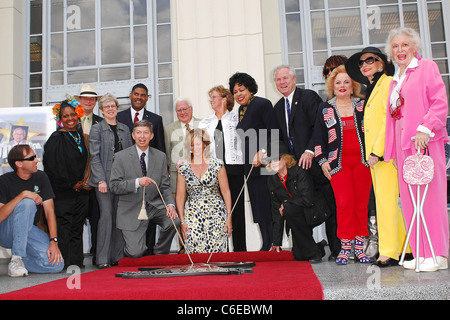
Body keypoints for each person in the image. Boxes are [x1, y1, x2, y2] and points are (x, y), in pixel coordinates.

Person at [384, 27, 449, 272]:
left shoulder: (427, 68)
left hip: (425, 142)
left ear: (415, 48)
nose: (400, 50)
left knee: (431, 198)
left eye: (405, 45)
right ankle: (422, 252)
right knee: (411, 201)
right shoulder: (396, 78)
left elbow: (440, 101)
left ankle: (438, 253)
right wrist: (392, 152)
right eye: (395, 46)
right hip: (404, 149)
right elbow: (392, 118)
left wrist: (426, 128)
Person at [346, 47, 410, 267]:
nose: (365, 65)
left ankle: (389, 252)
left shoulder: (388, 83)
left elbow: (388, 120)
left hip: (384, 154)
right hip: (376, 155)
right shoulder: (371, 88)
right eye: (362, 63)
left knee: (384, 203)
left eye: (370, 60)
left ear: (381, 63)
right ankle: (406, 249)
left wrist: (377, 151)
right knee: (387, 202)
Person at [273, 65, 340, 260]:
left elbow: (320, 127)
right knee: (297, 208)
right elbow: (281, 139)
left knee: (329, 206)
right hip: (296, 170)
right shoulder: (278, 107)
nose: (282, 82)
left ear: (294, 80)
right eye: (279, 79)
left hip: (317, 164)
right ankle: (312, 249)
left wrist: (311, 150)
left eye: (286, 78)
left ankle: (336, 249)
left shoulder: (309, 97)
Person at [313, 65, 372, 265]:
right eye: (338, 82)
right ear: (332, 85)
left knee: (361, 205)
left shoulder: (363, 105)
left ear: (353, 84)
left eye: (347, 82)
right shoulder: (325, 108)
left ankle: (359, 247)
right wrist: (322, 162)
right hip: (338, 164)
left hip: (363, 163)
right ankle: (345, 247)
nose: (342, 85)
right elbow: (318, 138)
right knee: (344, 204)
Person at [109, 120, 179, 258]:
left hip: (154, 206)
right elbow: (114, 186)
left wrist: (170, 204)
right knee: (136, 253)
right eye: (138, 133)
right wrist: (137, 182)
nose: (142, 136)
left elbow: (165, 185)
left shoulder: (160, 156)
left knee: (174, 220)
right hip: (131, 210)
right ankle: (134, 247)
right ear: (133, 135)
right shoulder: (120, 157)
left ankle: (159, 253)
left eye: (146, 133)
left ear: (151, 136)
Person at [229, 72, 279, 251]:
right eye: (235, 92)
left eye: (241, 90)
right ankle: (265, 243)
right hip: (250, 165)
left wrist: (263, 152)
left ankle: (274, 242)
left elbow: (274, 132)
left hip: (265, 163)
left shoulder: (262, 104)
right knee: (258, 204)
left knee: (267, 202)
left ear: (250, 89)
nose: (238, 95)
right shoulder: (241, 110)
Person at [0, 145, 64, 277]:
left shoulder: (41, 177)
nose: (36, 160)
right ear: (19, 163)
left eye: (35, 157)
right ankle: (17, 257)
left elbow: (49, 212)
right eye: (31, 158)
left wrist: (54, 241)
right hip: (6, 233)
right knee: (27, 203)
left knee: (56, 264)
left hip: (28, 229)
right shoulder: (4, 181)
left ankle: (19, 262)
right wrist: (22, 195)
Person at [199, 85, 246, 252]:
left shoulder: (237, 120)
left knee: (237, 211)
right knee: (217, 211)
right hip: (213, 172)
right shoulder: (205, 122)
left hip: (235, 170)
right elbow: (199, 148)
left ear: (225, 99)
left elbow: (245, 144)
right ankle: (220, 251)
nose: (211, 100)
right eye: (210, 97)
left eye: (214, 97)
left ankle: (240, 252)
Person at [88, 94, 133, 268]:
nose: (110, 109)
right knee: (106, 217)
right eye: (107, 107)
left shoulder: (124, 128)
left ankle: (117, 256)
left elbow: (130, 155)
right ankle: (102, 259)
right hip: (104, 181)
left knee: (119, 218)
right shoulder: (97, 129)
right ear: (101, 110)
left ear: (117, 107)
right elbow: (95, 157)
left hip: (121, 180)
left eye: (113, 106)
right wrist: (100, 180)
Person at [43, 99, 89, 268]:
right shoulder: (56, 138)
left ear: (78, 115)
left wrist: (80, 184)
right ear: (60, 119)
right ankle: (63, 264)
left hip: (80, 193)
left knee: (77, 229)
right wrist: (71, 184)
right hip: (63, 193)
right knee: (64, 229)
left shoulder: (78, 135)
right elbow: (53, 168)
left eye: (72, 115)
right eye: (65, 116)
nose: (70, 118)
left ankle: (77, 263)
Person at [176, 128, 232, 253]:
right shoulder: (183, 168)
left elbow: (226, 192)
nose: (194, 147)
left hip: (217, 214)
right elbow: (180, 197)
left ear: (205, 144)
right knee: (194, 253)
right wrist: (182, 221)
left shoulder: (217, 164)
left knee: (217, 254)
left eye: (197, 144)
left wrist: (229, 217)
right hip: (192, 216)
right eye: (191, 145)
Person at [267, 151, 326, 263]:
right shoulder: (272, 180)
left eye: (277, 159)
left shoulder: (299, 171)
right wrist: (276, 242)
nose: (273, 163)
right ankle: (318, 248)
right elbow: (276, 211)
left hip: (313, 211)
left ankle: (314, 253)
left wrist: (286, 203)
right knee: (299, 256)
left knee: (289, 209)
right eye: (270, 161)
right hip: (294, 217)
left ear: (285, 159)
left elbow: (307, 199)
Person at [74, 84, 102, 265]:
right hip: (76, 180)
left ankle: (97, 254)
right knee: (76, 218)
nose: (88, 101)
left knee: (97, 217)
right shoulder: (69, 120)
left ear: (95, 102)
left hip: (96, 179)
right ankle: (75, 256)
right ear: (80, 101)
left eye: (92, 98)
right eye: (85, 98)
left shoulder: (101, 121)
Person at [164, 97, 202, 194]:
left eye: (185, 109)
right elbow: (168, 154)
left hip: (200, 176)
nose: (182, 112)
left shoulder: (203, 124)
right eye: (179, 110)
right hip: (176, 178)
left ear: (191, 109)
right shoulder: (168, 129)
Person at [117, 83, 165, 153]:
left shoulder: (156, 120)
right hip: (125, 162)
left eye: (143, 95)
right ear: (130, 96)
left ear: (147, 98)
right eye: (136, 94)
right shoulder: (118, 118)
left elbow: (160, 148)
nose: (139, 97)